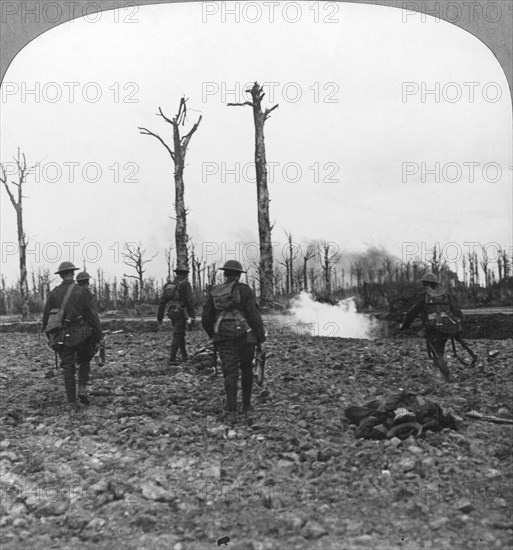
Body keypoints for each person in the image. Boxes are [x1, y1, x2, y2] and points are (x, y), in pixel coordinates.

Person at [202, 260, 266, 424]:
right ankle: (246, 405)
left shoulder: (215, 292)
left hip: (223, 338)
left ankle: (231, 410)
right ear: (238, 275)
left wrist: (214, 335)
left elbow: (205, 319)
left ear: (225, 274)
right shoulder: (245, 291)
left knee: (229, 372)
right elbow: (254, 317)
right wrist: (261, 340)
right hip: (246, 337)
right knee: (246, 369)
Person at [42, 262, 102, 412]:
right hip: (83, 334)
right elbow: (93, 316)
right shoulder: (83, 292)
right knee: (85, 360)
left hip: (62, 335)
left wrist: (50, 337)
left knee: (68, 367)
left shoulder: (54, 293)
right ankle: (81, 389)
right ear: (73, 274)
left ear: (61, 275)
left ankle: (72, 402)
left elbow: (46, 319)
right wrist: (98, 335)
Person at [400, 272, 472, 381]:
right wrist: (457, 326)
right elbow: (457, 311)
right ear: (436, 284)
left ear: (425, 284)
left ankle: (448, 376)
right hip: (447, 328)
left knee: (436, 353)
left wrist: (404, 326)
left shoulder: (424, 296)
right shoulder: (445, 295)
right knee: (439, 351)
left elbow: (411, 312)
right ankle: (436, 374)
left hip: (433, 329)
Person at [157, 265, 195, 365]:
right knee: (178, 334)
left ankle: (185, 356)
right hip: (181, 313)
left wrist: (160, 317)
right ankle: (172, 359)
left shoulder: (169, 285)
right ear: (186, 274)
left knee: (180, 334)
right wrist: (192, 316)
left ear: (177, 273)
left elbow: (162, 302)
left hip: (172, 313)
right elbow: (190, 301)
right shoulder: (185, 285)